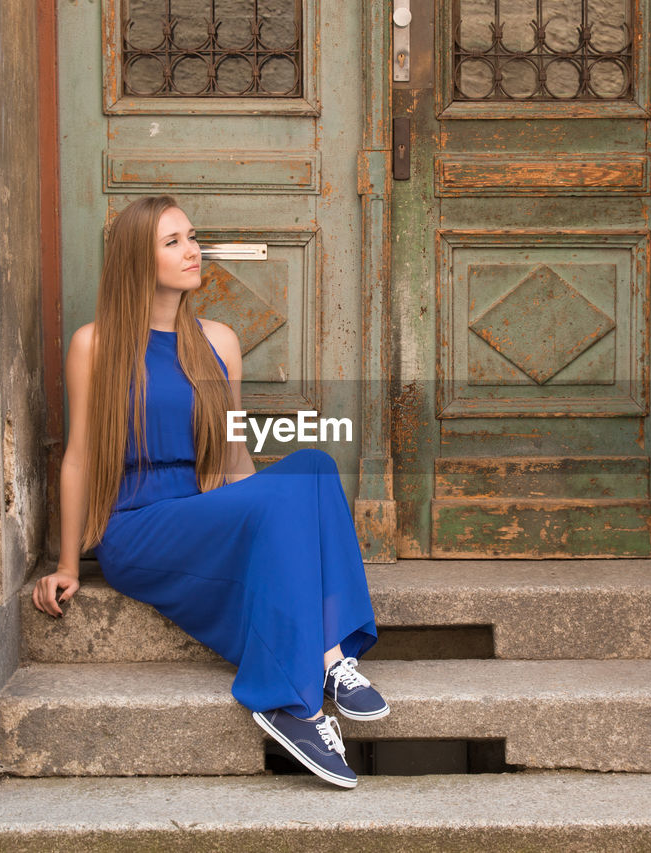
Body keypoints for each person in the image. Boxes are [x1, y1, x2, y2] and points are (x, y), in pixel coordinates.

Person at [31, 194, 387, 789]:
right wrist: (68, 563)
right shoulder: (94, 345)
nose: (193, 251)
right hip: (136, 525)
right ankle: (286, 702)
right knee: (292, 489)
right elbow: (80, 456)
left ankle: (329, 658)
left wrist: (260, 519)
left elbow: (231, 453)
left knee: (315, 466)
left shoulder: (218, 341)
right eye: (172, 242)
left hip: (202, 509)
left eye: (191, 237)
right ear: (136, 261)